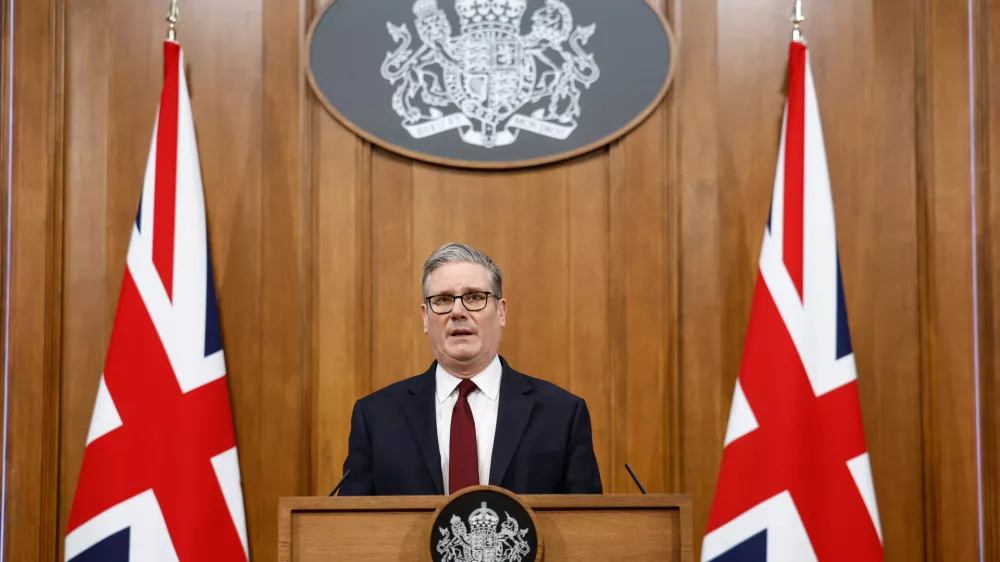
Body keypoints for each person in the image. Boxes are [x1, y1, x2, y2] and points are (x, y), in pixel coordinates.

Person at [339, 242, 602, 496]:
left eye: (474, 297)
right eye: (442, 300)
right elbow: (351, 527)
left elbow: (587, 525)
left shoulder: (562, 413)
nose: (457, 311)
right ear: (425, 318)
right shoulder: (376, 417)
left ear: (501, 311)